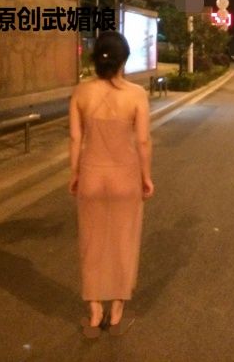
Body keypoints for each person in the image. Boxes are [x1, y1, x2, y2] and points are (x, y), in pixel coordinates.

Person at [68, 31, 154, 338]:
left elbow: (76, 138)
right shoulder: (136, 95)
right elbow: (142, 141)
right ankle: (117, 307)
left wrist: (75, 173)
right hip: (125, 177)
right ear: (123, 61)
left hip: (92, 175)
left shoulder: (81, 93)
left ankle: (94, 309)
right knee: (123, 242)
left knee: (91, 243)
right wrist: (146, 177)